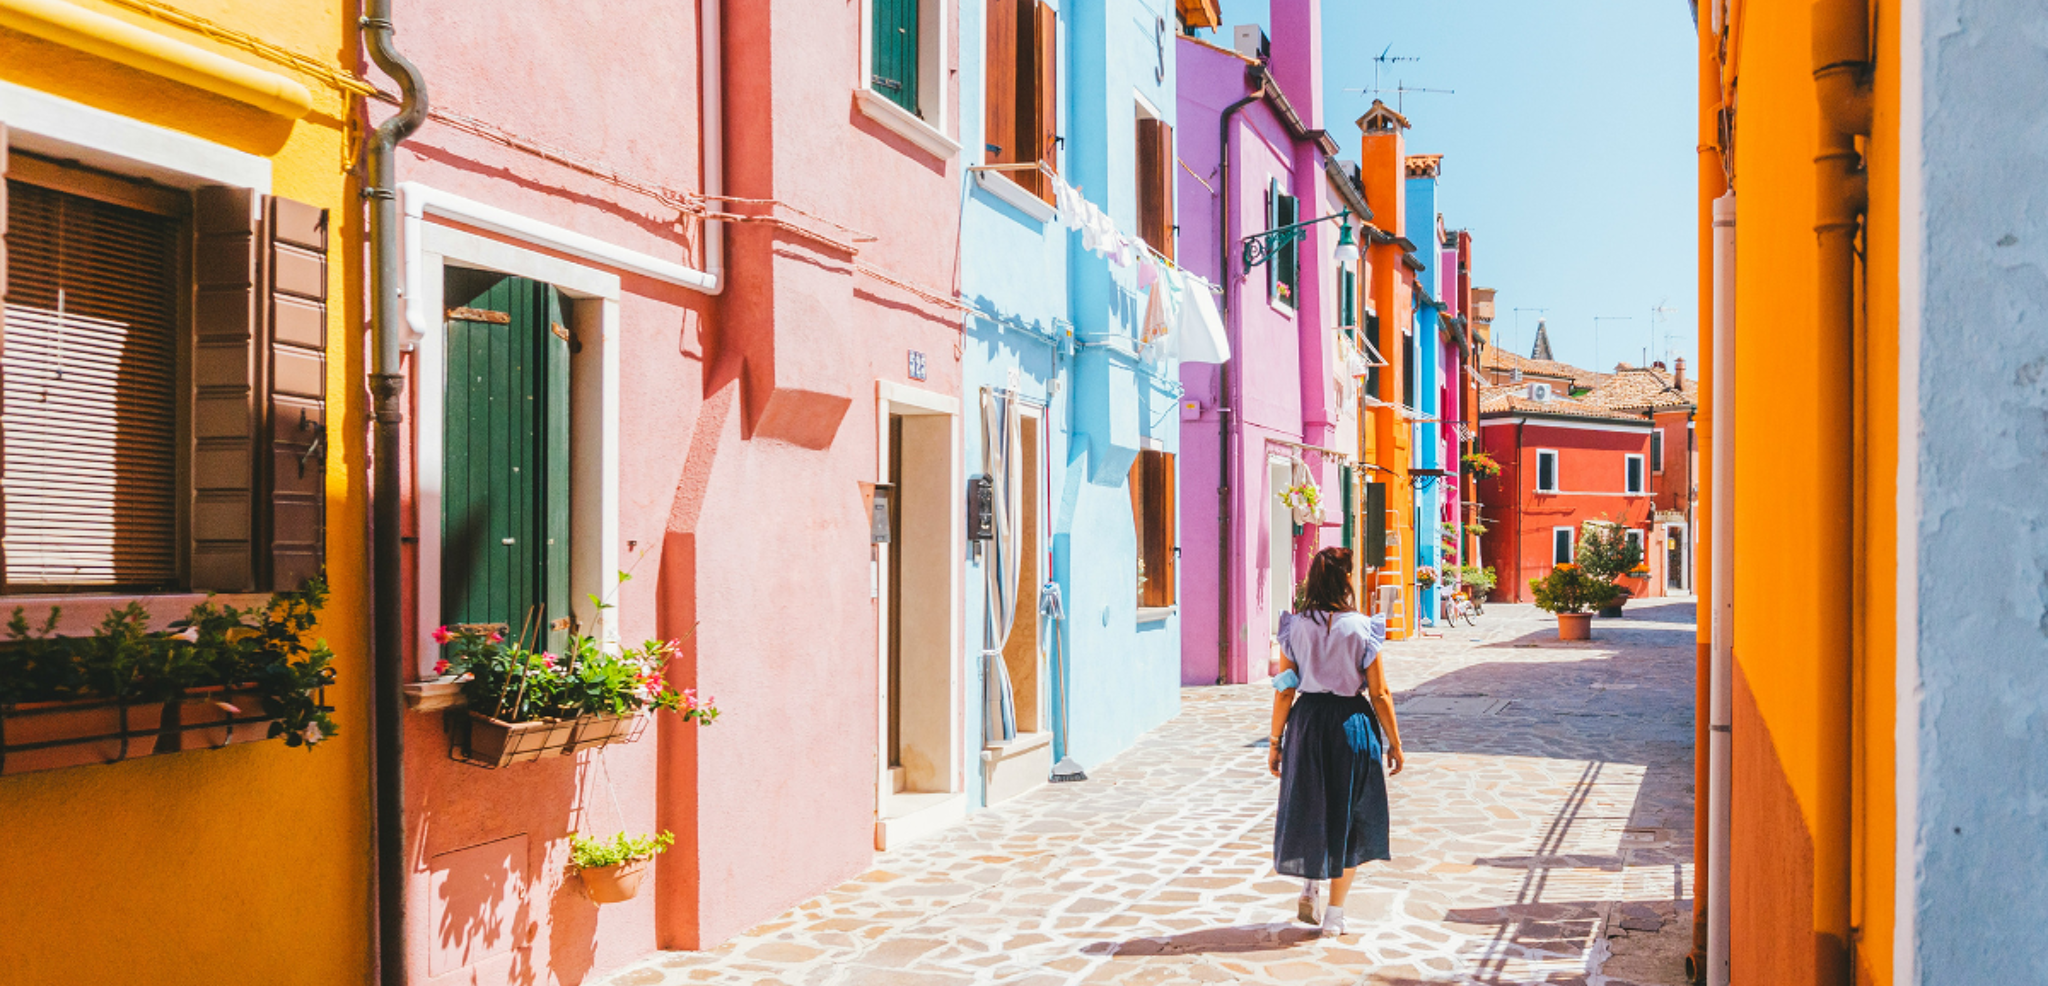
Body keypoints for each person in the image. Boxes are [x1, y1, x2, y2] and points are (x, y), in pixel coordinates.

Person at [1266, 546, 1405, 937]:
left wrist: (1275, 741)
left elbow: (1283, 689)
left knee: (1309, 802)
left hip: (1308, 723)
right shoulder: (1363, 628)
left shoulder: (1294, 628)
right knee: (1351, 815)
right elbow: (1379, 693)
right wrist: (1395, 742)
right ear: (1346, 580)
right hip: (1351, 723)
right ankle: (1335, 916)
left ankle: (1310, 882)